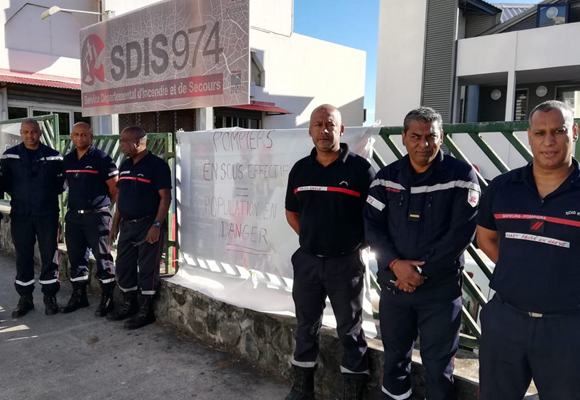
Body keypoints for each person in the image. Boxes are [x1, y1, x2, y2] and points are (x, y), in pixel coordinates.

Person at [364, 107, 479, 400]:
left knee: (439, 368)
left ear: (442, 138)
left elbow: (460, 234)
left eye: (431, 137)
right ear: (404, 137)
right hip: (394, 289)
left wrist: (417, 272)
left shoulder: (461, 176)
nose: (423, 144)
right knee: (394, 362)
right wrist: (394, 264)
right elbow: (372, 227)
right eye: (416, 136)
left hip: (439, 292)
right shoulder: (385, 178)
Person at [477, 100, 580, 400]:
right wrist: (523, 268)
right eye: (540, 132)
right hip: (506, 321)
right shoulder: (502, 187)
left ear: (573, 132)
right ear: (529, 136)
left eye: (558, 131)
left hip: (568, 327)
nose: (549, 141)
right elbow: (486, 239)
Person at [285, 104, 374, 400]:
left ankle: (353, 390)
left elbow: (375, 218)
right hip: (308, 262)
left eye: (330, 124)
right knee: (306, 325)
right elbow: (291, 213)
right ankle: (302, 388)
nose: (324, 130)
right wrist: (313, 239)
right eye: (318, 124)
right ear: (310, 130)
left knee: (349, 329)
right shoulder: (300, 169)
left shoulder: (361, 170)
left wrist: (349, 244)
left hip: (345, 264)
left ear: (341, 129)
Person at [107, 126, 171, 330]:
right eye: (121, 140)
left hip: (148, 225)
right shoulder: (125, 165)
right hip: (127, 225)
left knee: (147, 268)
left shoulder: (157, 166)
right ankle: (129, 305)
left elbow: (165, 198)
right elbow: (121, 198)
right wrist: (115, 224)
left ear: (138, 143)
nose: (121, 144)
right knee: (124, 266)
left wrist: (157, 225)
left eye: (124, 141)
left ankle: (146, 311)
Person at [1, 119, 65, 317]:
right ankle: (25, 298)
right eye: (26, 132)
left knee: (49, 255)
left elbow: (59, 186)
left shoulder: (54, 157)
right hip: (21, 215)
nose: (30, 136)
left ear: (40, 133)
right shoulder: (10, 156)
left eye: (34, 132)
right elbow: (5, 184)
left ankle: (49, 296)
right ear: (21, 133)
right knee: (23, 256)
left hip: (47, 214)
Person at [61, 122, 118, 316]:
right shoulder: (68, 160)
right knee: (76, 257)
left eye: (84, 135)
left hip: (97, 216)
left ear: (91, 137)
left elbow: (114, 188)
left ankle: (107, 298)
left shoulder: (101, 158)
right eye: (76, 135)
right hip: (74, 216)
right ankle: (79, 295)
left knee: (103, 258)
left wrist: (101, 206)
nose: (80, 138)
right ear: (71, 136)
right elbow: (70, 183)